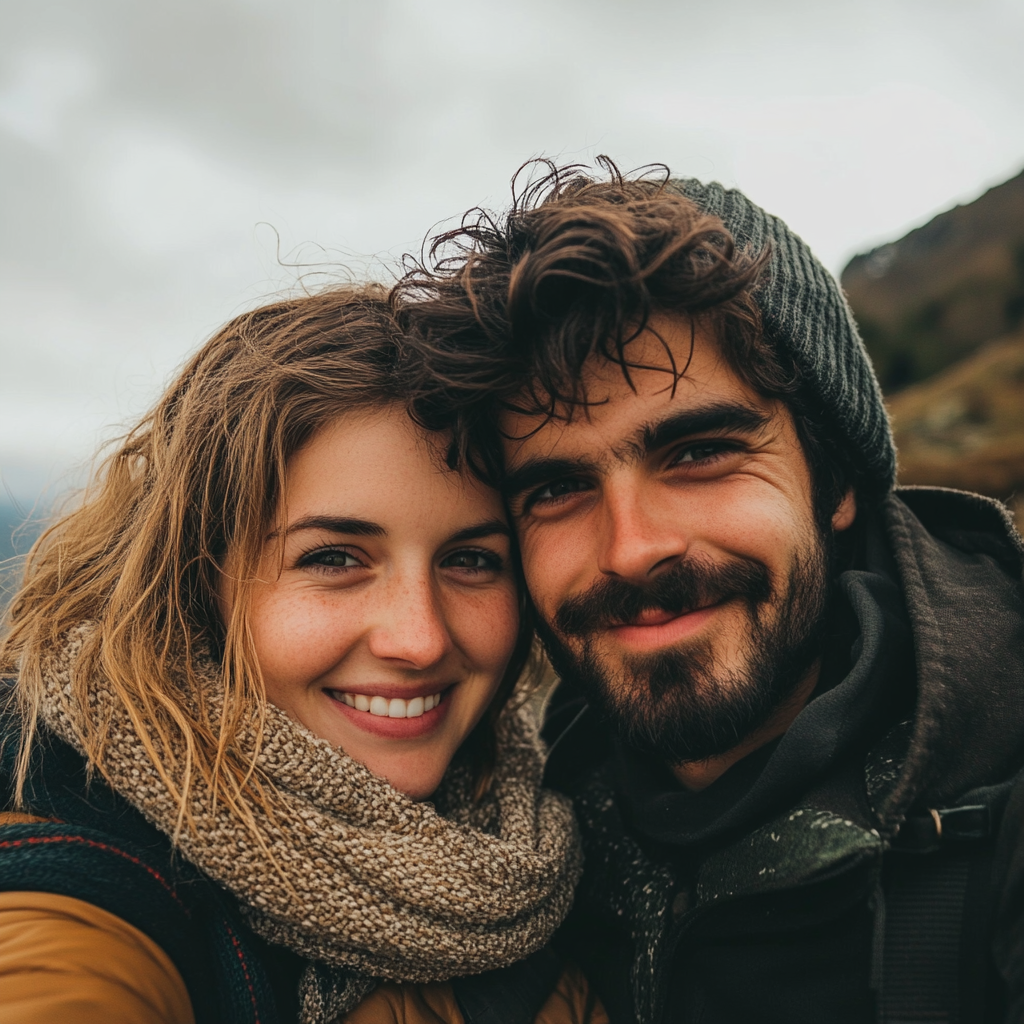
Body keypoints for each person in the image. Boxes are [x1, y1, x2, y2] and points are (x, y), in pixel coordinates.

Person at [397, 162, 1024, 1023]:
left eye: (697, 453)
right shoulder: (511, 867)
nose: (631, 550)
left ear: (834, 480)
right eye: (555, 490)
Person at [0, 286, 604, 1024]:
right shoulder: (73, 862)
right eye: (335, 558)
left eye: (473, 561)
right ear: (196, 586)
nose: (419, 639)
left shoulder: (525, 877)